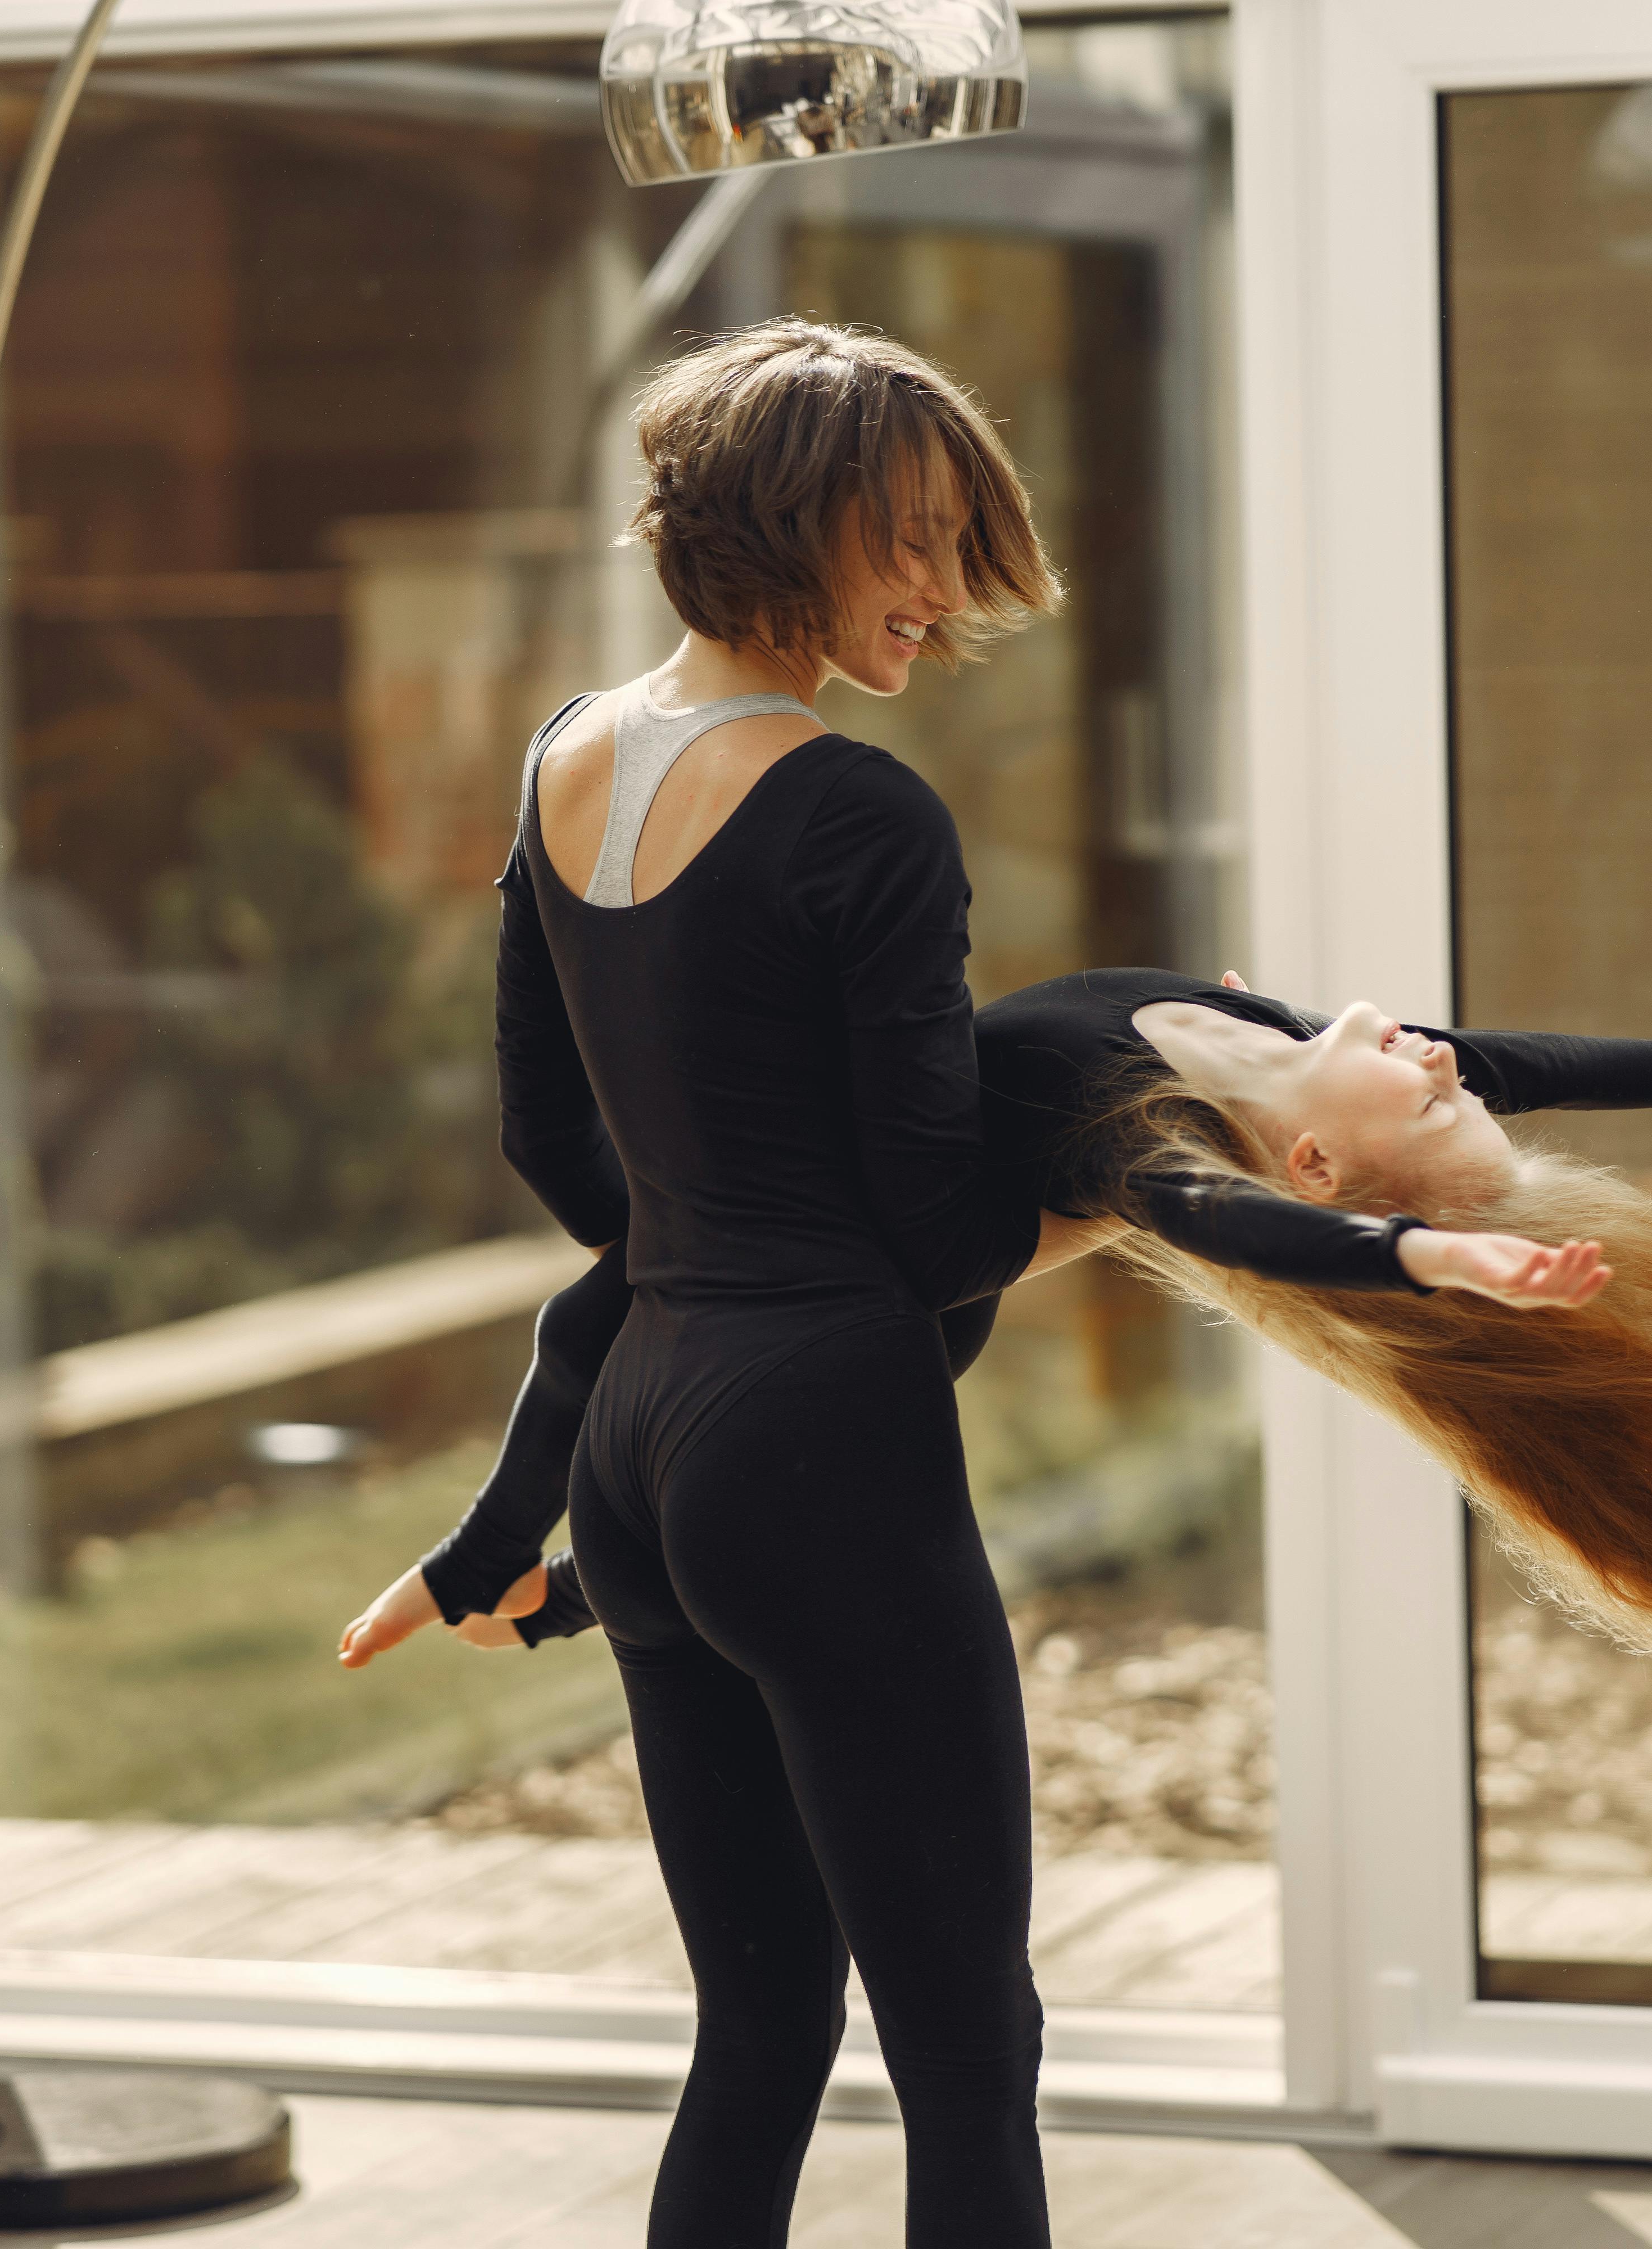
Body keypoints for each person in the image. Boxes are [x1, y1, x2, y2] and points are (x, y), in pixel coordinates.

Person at [433, 318, 1070, 2246]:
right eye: (911, 539)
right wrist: (1121, 1196)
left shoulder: (568, 755)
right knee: (968, 2048)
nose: (944, 594)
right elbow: (946, 1227)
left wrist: (707, 1241)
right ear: (793, 529)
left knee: (764, 2028)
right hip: (822, 1451)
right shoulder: (860, 815)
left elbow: (555, 1144)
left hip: (643, 1445)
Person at [351, 969, 1652, 1708]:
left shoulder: (1155, 1139)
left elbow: (1220, 1224)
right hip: (914, 1268)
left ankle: (507, 1584)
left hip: (841, 1259)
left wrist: (1428, 1253)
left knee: (600, 1324)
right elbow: (1532, 1051)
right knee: (708, 1449)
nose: (1450, 1061)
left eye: (1436, 1100)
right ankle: (539, 1600)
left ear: (1317, 1167)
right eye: (1457, 1089)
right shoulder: (1282, 1047)